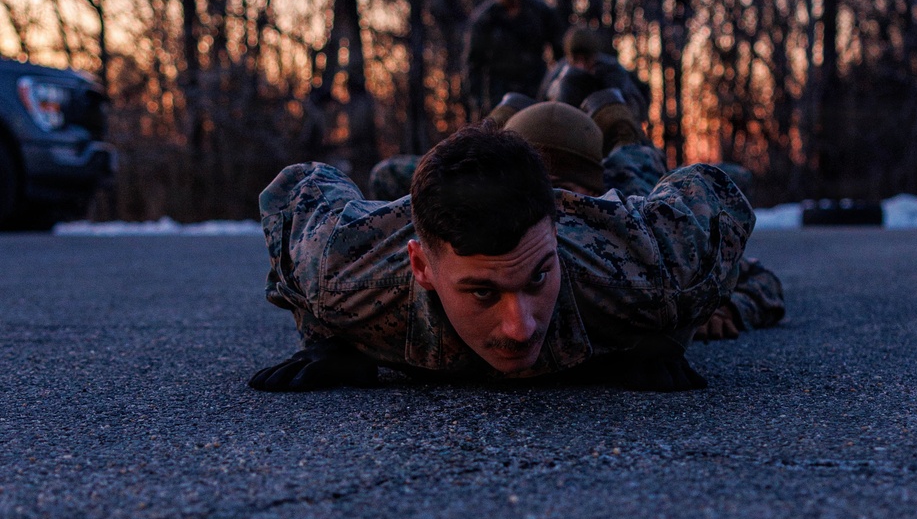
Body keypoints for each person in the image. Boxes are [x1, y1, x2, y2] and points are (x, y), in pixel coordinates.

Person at [248, 120, 755, 393]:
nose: (521, 328)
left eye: (538, 278)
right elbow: (299, 189)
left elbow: (712, 195)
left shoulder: (648, 266)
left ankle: (612, 124)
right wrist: (325, 337)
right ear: (422, 268)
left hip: (586, 217)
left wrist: (667, 330)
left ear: (556, 235)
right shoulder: (340, 271)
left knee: (631, 166)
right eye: (482, 292)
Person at [502, 99, 785, 342]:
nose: (545, 205)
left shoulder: (632, 226)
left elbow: (762, 280)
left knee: (636, 161)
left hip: (635, 179)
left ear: (592, 192)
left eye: (561, 190)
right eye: (528, 192)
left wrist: (727, 308)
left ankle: (618, 120)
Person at [463, 0, 563, 115]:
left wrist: (557, 88)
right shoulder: (485, 19)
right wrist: (478, 105)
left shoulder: (540, 11)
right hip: (500, 96)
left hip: (537, 90)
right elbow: (473, 65)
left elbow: (561, 51)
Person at [539, 26, 650, 123]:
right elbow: (541, 104)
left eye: (586, 59)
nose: (581, 66)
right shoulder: (557, 74)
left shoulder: (612, 72)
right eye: (576, 59)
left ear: (594, 56)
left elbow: (635, 104)